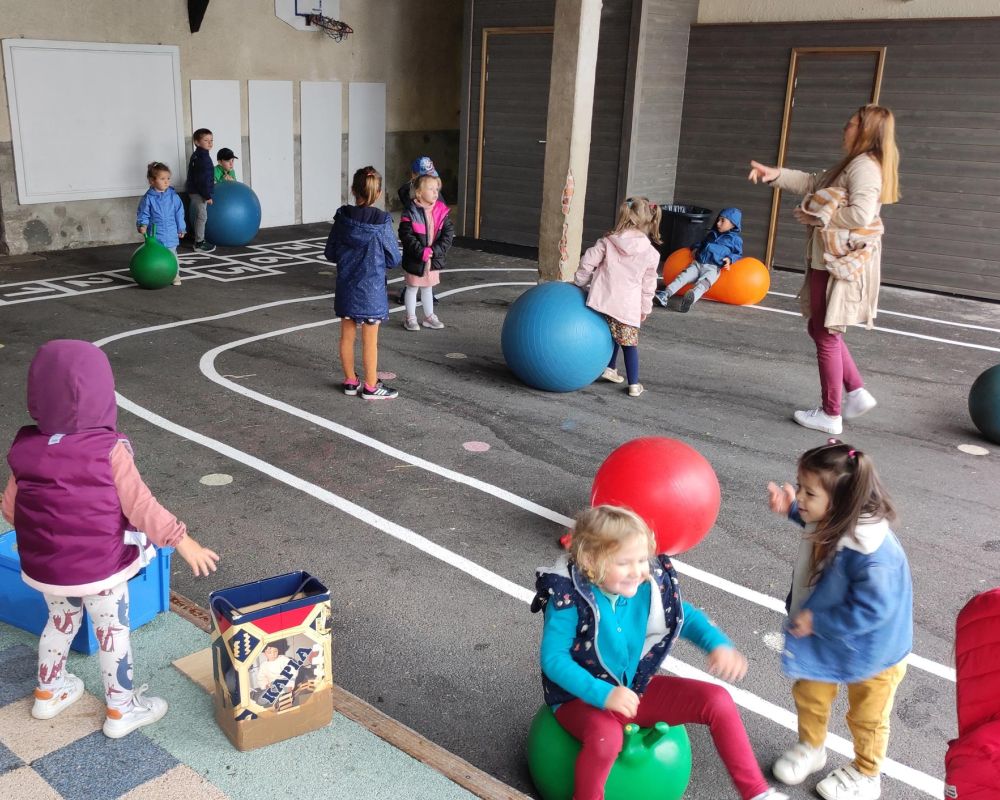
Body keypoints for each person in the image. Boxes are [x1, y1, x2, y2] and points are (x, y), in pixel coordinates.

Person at [1, 340, 220, 738]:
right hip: (100, 567)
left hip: (47, 567)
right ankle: (121, 709)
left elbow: (12, 510)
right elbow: (141, 505)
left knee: (60, 622)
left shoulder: (26, 447)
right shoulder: (108, 449)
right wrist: (182, 540)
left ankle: (48, 692)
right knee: (112, 632)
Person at [533, 505, 787, 800]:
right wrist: (604, 694)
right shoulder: (567, 598)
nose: (637, 571)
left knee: (717, 701)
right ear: (590, 560)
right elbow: (554, 659)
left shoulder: (645, 586)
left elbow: (683, 616)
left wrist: (717, 644)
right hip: (577, 699)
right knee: (607, 739)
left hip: (631, 690)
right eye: (624, 562)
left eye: (642, 559)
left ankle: (756, 793)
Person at [766, 440, 912, 800]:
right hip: (831, 635)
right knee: (810, 693)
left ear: (842, 502)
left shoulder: (873, 556)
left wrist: (817, 623)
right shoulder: (838, 518)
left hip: (875, 650)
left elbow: (871, 611)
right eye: (799, 487)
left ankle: (867, 773)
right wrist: (792, 509)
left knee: (867, 715)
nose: (800, 496)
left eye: (809, 492)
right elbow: (820, 521)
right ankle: (811, 746)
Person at [748, 104, 900, 435]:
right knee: (821, 329)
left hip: (835, 263)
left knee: (826, 334)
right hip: (828, 260)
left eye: (851, 123)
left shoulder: (865, 167)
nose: (845, 127)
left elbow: (861, 214)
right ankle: (855, 392)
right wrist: (776, 174)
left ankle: (831, 413)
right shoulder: (854, 163)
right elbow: (813, 182)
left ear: (865, 131)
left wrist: (822, 217)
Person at [325, 166, 401, 400]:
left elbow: (330, 252)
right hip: (372, 290)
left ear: (353, 190)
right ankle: (370, 386)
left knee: (346, 336)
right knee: (370, 340)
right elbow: (394, 258)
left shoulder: (342, 218)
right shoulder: (382, 222)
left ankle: (350, 381)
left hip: (347, 287)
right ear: (378, 193)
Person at [573, 197, 661, 398]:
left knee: (611, 335)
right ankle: (634, 384)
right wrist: (645, 309)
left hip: (600, 301)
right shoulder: (651, 254)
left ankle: (610, 368)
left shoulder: (608, 241)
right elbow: (649, 287)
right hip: (626, 307)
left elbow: (587, 262)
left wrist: (579, 283)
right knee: (628, 344)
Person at [654, 207, 743, 312]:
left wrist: (730, 259)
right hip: (697, 264)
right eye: (718, 219)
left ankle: (690, 298)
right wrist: (695, 248)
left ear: (733, 224)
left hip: (713, 268)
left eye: (723, 221)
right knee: (682, 277)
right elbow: (701, 243)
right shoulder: (711, 234)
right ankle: (665, 294)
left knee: (704, 284)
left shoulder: (735, 240)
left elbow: (738, 254)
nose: (718, 223)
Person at [398, 173, 454, 331]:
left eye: (437, 189)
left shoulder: (441, 211)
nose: (436, 192)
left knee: (428, 288)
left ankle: (429, 317)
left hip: (432, 259)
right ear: (419, 193)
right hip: (415, 259)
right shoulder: (410, 212)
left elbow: (448, 235)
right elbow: (406, 235)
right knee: (412, 288)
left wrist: (434, 251)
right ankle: (410, 318)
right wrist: (420, 252)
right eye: (431, 189)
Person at [395, 155, 443, 307]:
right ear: (414, 176)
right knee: (414, 265)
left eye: (431, 177)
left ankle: (427, 292)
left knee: (429, 265)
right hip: (416, 234)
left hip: (431, 236)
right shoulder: (406, 192)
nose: (430, 182)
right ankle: (409, 291)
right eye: (424, 177)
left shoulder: (436, 195)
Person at [136, 161, 186, 286]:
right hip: (155, 234)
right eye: (162, 179)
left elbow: (179, 213)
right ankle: (156, 274)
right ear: (152, 181)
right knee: (156, 255)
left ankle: (174, 274)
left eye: (168, 178)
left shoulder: (173, 196)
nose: (166, 182)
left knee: (172, 254)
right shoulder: (148, 198)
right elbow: (144, 214)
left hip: (171, 233)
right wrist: (142, 225)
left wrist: (181, 228)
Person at [185, 127, 217, 253]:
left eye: (211, 140)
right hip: (198, 192)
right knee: (202, 216)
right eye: (206, 140)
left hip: (195, 190)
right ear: (197, 142)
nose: (210, 143)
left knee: (200, 216)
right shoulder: (202, 158)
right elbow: (201, 180)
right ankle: (199, 243)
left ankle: (198, 238)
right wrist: (207, 195)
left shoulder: (199, 155)